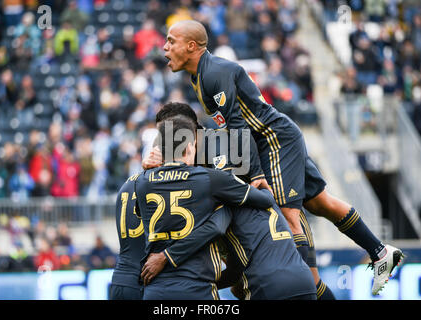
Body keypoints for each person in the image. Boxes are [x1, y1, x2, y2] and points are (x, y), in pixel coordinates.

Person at [162, 20, 404, 296]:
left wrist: (255, 174)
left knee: (288, 216)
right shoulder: (201, 76)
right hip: (276, 136)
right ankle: (380, 251)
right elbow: (233, 129)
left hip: (273, 139)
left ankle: (304, 287)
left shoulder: (213, 73)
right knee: (320, 203)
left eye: (171, 41)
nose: (165, 47)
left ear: (191, 46)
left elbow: (238, 127)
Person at [140, 105, 317, 300]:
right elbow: (234, 270)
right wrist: (262, 182)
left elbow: (215, 227)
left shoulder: (212, 185)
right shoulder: (230, 185)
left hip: (266, 285)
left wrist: (170, 259)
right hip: (303, 280)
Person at [110, 169, 233, 300]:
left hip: (121, 277)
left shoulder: (128, 185)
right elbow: (213, 229)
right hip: (147, 277)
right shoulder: (174, 189)